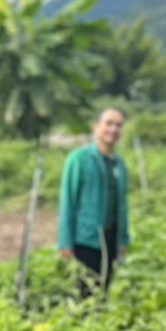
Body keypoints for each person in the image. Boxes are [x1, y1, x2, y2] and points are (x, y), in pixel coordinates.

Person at [58, 107, 130, 292]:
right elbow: (68, 203)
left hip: (111, 238)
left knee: (105, 289)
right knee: (85, 292)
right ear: (96, 127)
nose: (113, 129)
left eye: (118, 125)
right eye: (109, 123)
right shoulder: (79, 159)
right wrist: (65, 243)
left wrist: (123, 240)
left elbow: (122, 206)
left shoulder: (119, 165)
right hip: (86, 239)